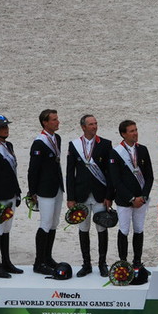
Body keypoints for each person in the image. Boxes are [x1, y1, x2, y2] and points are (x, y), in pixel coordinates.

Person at [66, 114, 114, 277]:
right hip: (81, 195)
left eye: (96, 123)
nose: (94, 127)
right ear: (83, 127)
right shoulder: (74, 145)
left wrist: (109, 195)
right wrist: (70, 197)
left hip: (100, 195)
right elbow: (69, 173)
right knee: (83, 228)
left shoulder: (106, 144)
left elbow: (110, 173)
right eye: (91, 124)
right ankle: (86, 264)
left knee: (102, 228)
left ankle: (102, 263)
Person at [109, 120, 154, 267]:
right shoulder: (116, 153)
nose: (135, 133)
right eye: (131, 131)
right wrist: (131, 198)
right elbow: (116, 181)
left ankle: (137, 262)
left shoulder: (143, 150)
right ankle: (123, 262)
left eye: (136, 130)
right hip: (124, 199)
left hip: (141, 199)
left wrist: (144, 196)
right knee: (124, 230)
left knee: (139, 229)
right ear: (123, 134)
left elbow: (149, 176)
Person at [27, 109, 64, 275]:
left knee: (54, 223)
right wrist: (32, 191)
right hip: (44, 189)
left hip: (57, 187)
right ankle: (38, 261)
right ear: (45, 122)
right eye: (54, 120)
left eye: (57, 119)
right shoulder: (39, 143)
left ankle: (47, 257)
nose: (57, 122)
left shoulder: (57, 138)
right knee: (45, 223)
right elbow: (33, 169)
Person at [0, 115, 23, 279]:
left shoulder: (8, 145)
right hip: (0, 196)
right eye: (2, 127)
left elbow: (13, 171)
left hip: (11, 194)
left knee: (7, 228)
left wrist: (18, 192)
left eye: (6, 127)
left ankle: (6, 261)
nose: (5, 129)